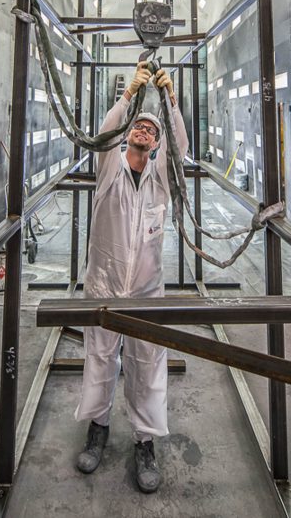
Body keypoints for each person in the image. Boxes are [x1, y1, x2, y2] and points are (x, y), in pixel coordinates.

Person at [75, 61, 188, 493]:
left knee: (147, 364)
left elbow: (180, 145)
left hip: (146, 291)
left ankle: (145, 443)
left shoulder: (160, 180)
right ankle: (97, 429)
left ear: (156, 143)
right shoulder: (110, 168)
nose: (144, 130)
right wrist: (127, 97)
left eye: (151, 129)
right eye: (138, 126)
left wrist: (170, 99)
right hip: (103, 286)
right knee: (100, 359)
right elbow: (106, 133)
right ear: (128, 136)